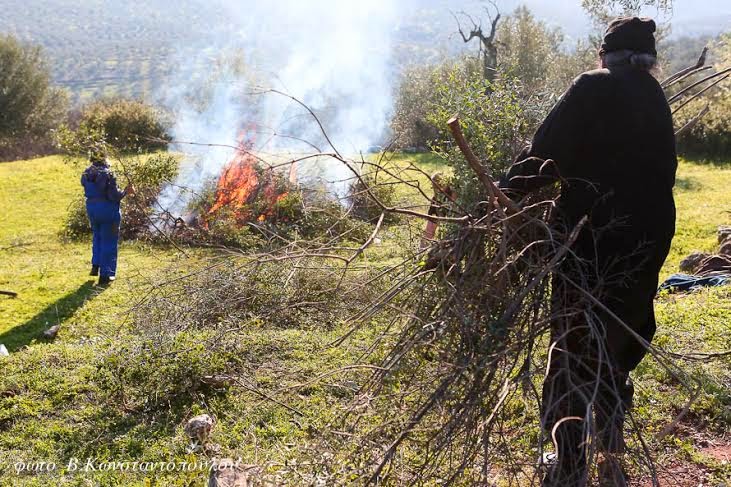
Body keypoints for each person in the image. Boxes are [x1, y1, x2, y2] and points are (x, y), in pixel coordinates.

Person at [499, 17, 677, 487]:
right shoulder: (654, 95)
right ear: (646, 60)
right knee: (619, 333)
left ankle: (568, 462)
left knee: (573, 343)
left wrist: (499, 197)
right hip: (650, 236)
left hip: (593, 236)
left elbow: (541, 159)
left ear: (606, 55)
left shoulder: (591, 86)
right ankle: (610, 447)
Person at [81, 153, 135, 286]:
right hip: (107, 210)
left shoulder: (86, 174)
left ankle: (96, 265)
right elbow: (114, 196)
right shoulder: (107, 174)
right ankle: (106, 275)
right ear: (104, 159)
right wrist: (126, 192)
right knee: (109, 241)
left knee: (97, 237)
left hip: (92, 208)